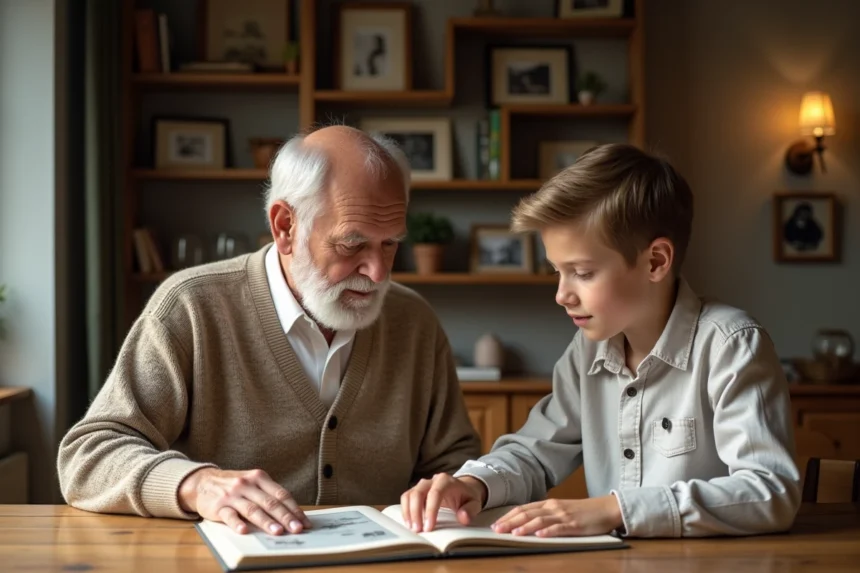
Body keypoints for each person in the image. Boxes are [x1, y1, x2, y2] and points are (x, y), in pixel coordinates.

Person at [58, 126, 481, 536]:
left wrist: (451, 488)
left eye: (390, 244)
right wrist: (197, 485)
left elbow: (454, 461)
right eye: (352, 245)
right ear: (285, 227)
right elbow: (88, 456)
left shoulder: (414, 321)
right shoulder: (192, 307)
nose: (377, 271)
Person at [400, 143, 800, 538]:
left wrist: (615, 509)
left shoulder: (731, 345)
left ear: (656, 262)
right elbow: (535, 452)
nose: (562, 294)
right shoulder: (587, 351)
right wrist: (475, 485)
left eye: (583, 272)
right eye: (557, 271)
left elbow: (770, 491)